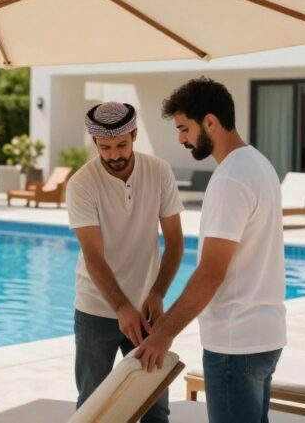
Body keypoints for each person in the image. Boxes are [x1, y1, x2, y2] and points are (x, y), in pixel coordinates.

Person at [136, 77, 286, 423]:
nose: (181, 139)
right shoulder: (261, 165)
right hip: (265, 337)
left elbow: (211, 271)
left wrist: (163, 335)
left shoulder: (230, 179)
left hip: (235, 345)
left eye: (184, 128)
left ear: (210, 122)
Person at [67, 101, 184, 421]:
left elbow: (175, 243)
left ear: (134, 135)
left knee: (154, 404)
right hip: (96, 309)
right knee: (94, 405)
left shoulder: (159, 171)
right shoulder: (81, 184)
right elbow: (93, 256)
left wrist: (157, 293)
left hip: (147, 311)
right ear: (95, 143)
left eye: (121, 144)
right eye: (105, 147)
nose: (114, 155)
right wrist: (121, 307)